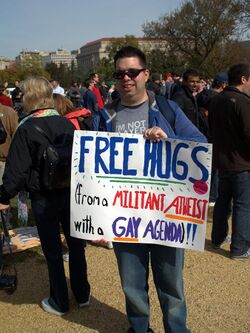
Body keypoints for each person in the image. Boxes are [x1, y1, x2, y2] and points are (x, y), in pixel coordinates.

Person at [94, 46, 206, 333]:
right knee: (132, 284)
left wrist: (169, 138)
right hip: (124, 217)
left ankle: (176, 329)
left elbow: (200, 145)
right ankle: (139, 328)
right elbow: (92, 168)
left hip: (165, 216)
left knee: (171, 285)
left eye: (132, 72)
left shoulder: (167, 109)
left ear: (145, 74)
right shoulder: (104, 117)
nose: (126, 78)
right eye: (120, 74)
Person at [0, 77, 90, 315]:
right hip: (71, 193)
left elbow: (16, 171)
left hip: (44, 197)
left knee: (52, 251)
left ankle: (60, 300)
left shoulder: (27, 127)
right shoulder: (66, 123)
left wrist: (3, 196)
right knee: (76, 245)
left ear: (29, 97)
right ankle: (82, 293)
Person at [208, 63, 250, 260]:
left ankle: (217, 238)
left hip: (221, 159)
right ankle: (240, 248)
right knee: (243, 205)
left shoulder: (216, 100)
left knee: (223, 202)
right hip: (241, 162)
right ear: (243, 79)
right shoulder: (242, 101)